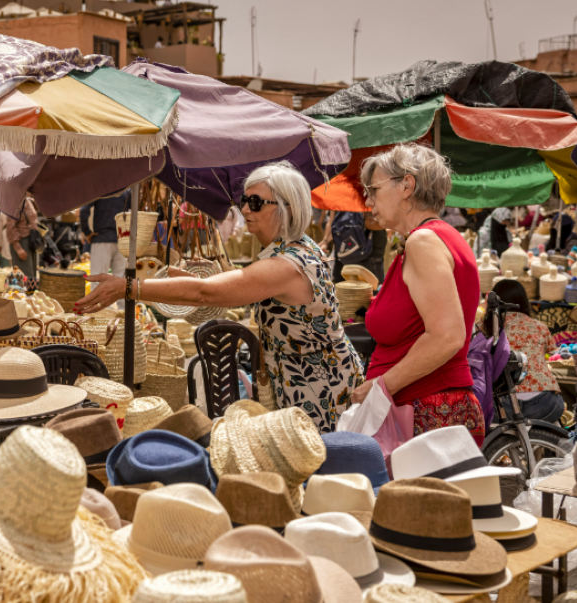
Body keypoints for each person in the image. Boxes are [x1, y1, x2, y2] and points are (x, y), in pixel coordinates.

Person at [77, 162, 364, 433]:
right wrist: (195, 280)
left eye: (256, 202)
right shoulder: (300, 247)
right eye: (245, 201)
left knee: (317, 464)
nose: (246, 209)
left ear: (288, 208)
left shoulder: (286, 265)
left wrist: (128, 287)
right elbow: (229, 286)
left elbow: (207, 293)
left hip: (318, 384)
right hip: (313, 374)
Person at [350, 144, 485, 443]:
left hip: (426, 410)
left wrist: (380, 386)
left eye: (373, 188)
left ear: (407, 186)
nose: (368, 199)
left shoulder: (423, 241)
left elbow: (446, 336)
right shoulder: (438, 237)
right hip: (431, 408)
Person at [483, 279, 564, 424]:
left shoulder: (486, 327)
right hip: (545, 404)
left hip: (504, 406)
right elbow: (553, 352)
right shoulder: (539, 326)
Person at [80, 192, 127, 306]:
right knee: (120, 280)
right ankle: (122, 315)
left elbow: (83, 211)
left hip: (102, 239)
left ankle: (98, 315)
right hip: (122, 238)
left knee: (97, 279)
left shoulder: (101, 189)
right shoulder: (126, 191)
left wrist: (87, 232)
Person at [6, 192, 41, 279]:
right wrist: (18, 248)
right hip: (21, 242)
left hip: (30, 241)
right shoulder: (15, 202)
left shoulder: (28, 200)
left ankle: (31, 292)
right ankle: (22, 293)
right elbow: (10, 226)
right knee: (24, 275)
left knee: (31, 275)